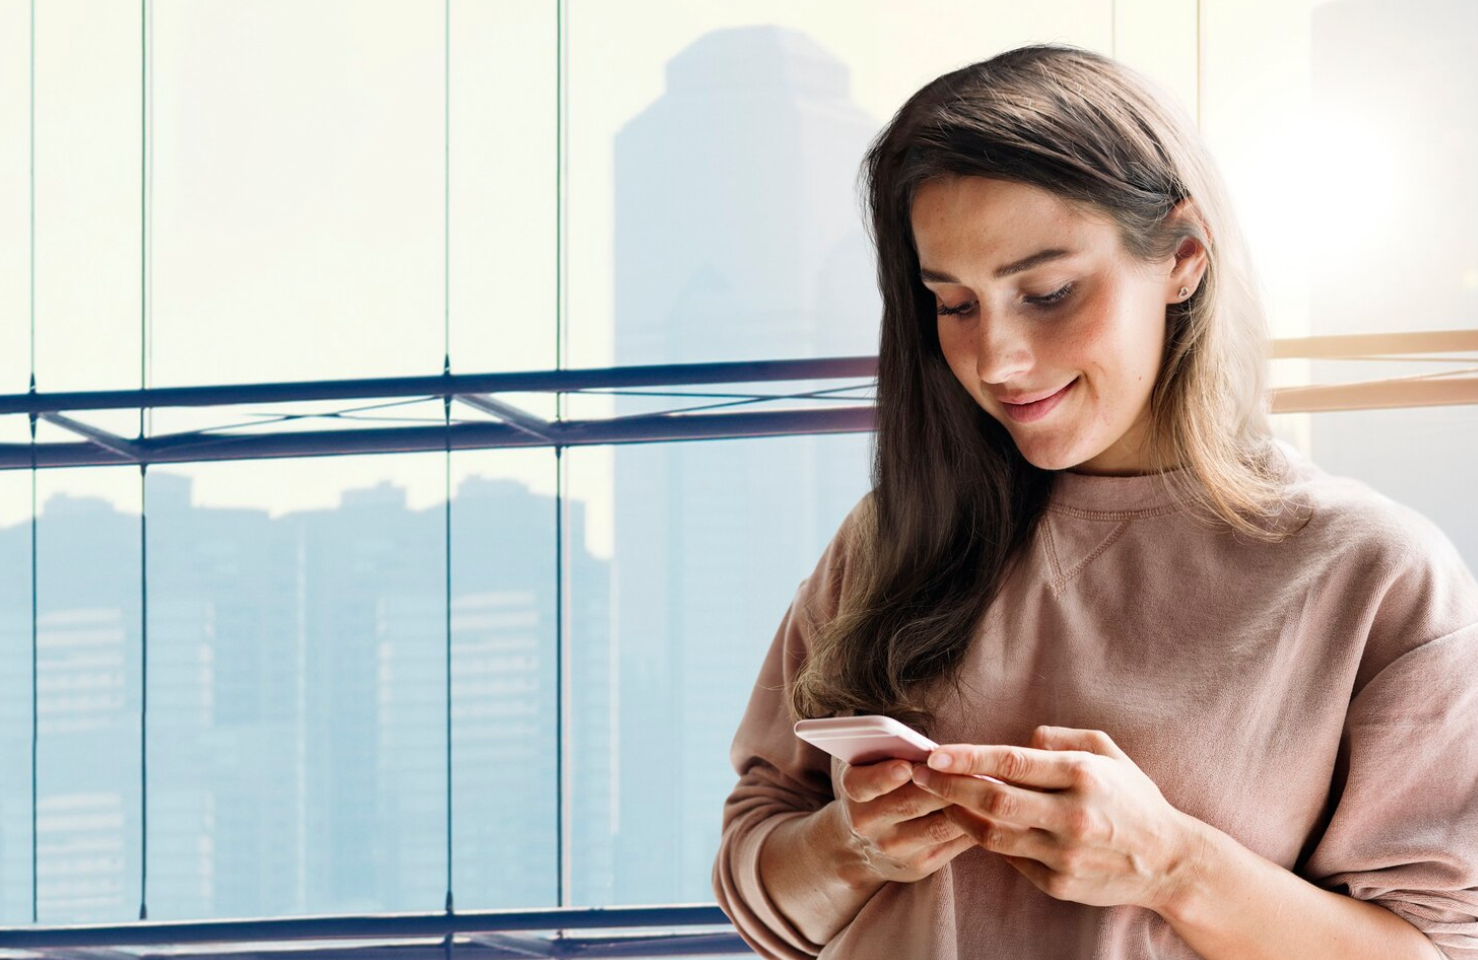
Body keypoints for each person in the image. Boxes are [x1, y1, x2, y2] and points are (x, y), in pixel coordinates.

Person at [710, 42, 1478, 960]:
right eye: (954, 305)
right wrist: (852, 846)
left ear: (1184, 259)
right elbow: (760, 875)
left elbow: (1433, 948)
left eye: (1048, 292)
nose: (997, 360)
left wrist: (1176, 868)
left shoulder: (1373, 575)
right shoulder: (891, 540)